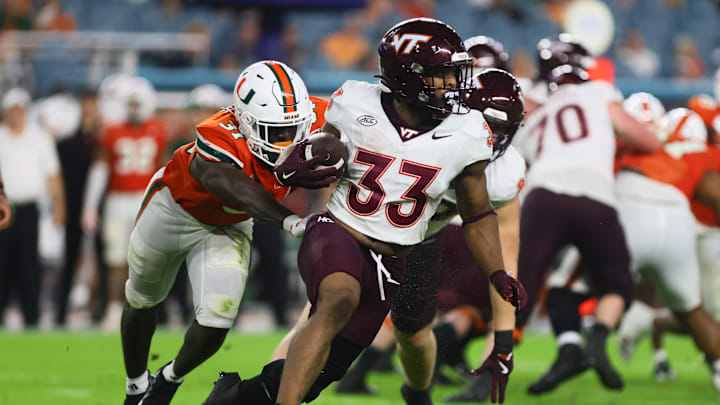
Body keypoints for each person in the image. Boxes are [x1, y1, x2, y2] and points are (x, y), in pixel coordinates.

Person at [204, 18, 525, 405]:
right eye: (442, 76)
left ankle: (233, 397)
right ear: (410, 77)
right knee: (337, 299)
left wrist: (496, 272)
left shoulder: (468, 134)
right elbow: (301, 148)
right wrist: (297, 164)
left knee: (324, 373)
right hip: (340, 231)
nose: (454, 87)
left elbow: (478, 216)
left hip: (394, 257)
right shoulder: (354, 103)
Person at [121, 60, 335, 405]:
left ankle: (168, 378)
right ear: (246, 122)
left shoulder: (317, 115)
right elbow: (231, 186)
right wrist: (290, 221)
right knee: (142, 299)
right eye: (277, 133)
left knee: (217, 320)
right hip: (172, 209)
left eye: (296, 129)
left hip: (225, 225)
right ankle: (135, 386)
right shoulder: (217, 132)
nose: (290, 141)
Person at [512, 52, 662, 392]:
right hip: (596, 196)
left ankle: (493, 368)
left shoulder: (536, 115)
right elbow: (647, 140)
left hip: (544, 196)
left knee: (523, 288)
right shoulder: (599, 93)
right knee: (617, 284)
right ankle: (596, 340)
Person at [614, 107, 720, 394]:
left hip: (662, 219)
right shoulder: (706, 152)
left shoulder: (649, 147)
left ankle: (634, 320)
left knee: (684, 304)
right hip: (692, 226)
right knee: (701, 310)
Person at [81, 77, 168, 332]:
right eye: (130, 103)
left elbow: (164, 171)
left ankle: (146, 310)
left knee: (147, 259)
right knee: (116, 258)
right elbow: (100, 169)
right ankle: (113, 308)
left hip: (146, 199)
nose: (134, 108)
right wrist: (90, 205)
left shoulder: (157, 129)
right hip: (118, 199)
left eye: (137, 103)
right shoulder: (112, 131)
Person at [0, 87, 66, 328]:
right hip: (3, 209)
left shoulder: (39, 137)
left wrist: (59, 209)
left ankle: (31, 317)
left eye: (21, 109)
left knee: (29, 264)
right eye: (13, 110)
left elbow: (53, 176)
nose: (17, 114)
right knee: (2, 263)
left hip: (29, 209)